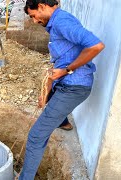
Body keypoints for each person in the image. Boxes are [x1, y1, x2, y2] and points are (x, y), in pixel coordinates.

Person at [19, 0, 105, 179]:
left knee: (36, 136)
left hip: (74, 86)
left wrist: (68, 70)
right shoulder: (56, 23)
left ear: (42, 6)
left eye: (34, 16)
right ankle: (63, 121)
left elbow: (96, 45)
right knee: (51, 97)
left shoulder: (61, 22)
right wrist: (44, 93)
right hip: (67, 83)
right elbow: (55, 68)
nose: (34, 21)